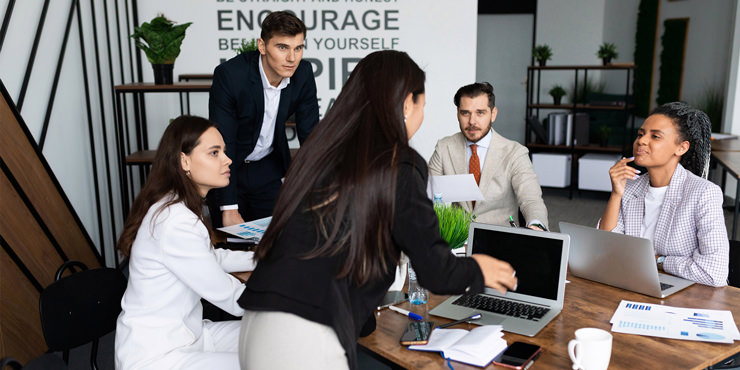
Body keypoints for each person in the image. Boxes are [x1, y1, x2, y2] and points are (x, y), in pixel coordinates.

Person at [236, 51, 518, 370]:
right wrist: (478, 269)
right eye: (422, 105)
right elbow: (436, 271)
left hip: (257, 325)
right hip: (306, 338)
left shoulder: (322, 152)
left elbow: (340, 247)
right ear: (407, 104)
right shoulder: (399, 164)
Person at [115, 116, 256, 370]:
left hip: (190, 334)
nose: (227, 160)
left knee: (269, 337)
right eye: (214, 153)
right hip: (158, 355)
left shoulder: (177, 206)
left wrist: (263, 257)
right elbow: (234, 299)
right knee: (269, 357)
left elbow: (211, 258)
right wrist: (292, 298)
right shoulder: (176, 222)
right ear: (184, 161)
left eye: (223, 151)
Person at [599, 102, 728, 287]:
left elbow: (714, 272)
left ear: (681, 148)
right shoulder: (630, 187)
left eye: (655, 136)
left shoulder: (704, 193)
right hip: (630, 284)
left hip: (683, 294)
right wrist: (616, 194)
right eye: (641, 134)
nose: (642, 141)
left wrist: (660, 261)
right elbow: (605, 249)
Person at [209, 11, 319, 226]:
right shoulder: (231, 76)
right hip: (230, 167)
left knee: (278, 240)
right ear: (262, 46)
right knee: (231, 246)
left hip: (268, 167)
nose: (292, 58)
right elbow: (224, 142)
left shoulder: (303, 73)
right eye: (282, 47)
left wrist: (324, 189)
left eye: (298, 48)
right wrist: (229, 207)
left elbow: (311, 135)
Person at [428, 82, 548, 230]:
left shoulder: (515, 153)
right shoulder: (443, 148)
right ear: (458, 114)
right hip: (457, 242)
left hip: (499, 243)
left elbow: (531, 199)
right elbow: (428, 196)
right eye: (465, 113)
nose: (472, 121)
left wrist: (536, 224)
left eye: (480, 112)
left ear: (493, 114)